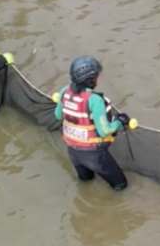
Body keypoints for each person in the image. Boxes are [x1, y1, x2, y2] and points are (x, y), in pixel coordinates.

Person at [53, 56, 130, 191]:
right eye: (97, 76)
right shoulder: (95, 100)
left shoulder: (64, 91)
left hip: (73, 152)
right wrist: (119, 122)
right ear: (90, 80)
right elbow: (105, 130)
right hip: (94, 155)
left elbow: (57, 115)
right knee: (121, 185)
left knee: (86, 182)